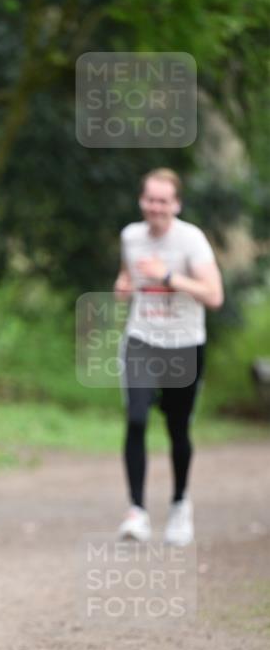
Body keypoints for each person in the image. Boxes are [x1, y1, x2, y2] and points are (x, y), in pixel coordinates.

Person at [113, 168, 223, 545]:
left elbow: (214, 295)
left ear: (176, 204)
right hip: (142, 338)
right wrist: (123, 286)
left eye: (163, 201)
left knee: (177, 428)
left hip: (184, 344)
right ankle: (137, 512)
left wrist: (169, 276)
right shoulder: (131, 236)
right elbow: (127, 276)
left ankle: (179, 505)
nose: (156, 207)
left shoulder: (191, 240)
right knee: (137, 418)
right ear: (142, 200)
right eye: (150, 199)